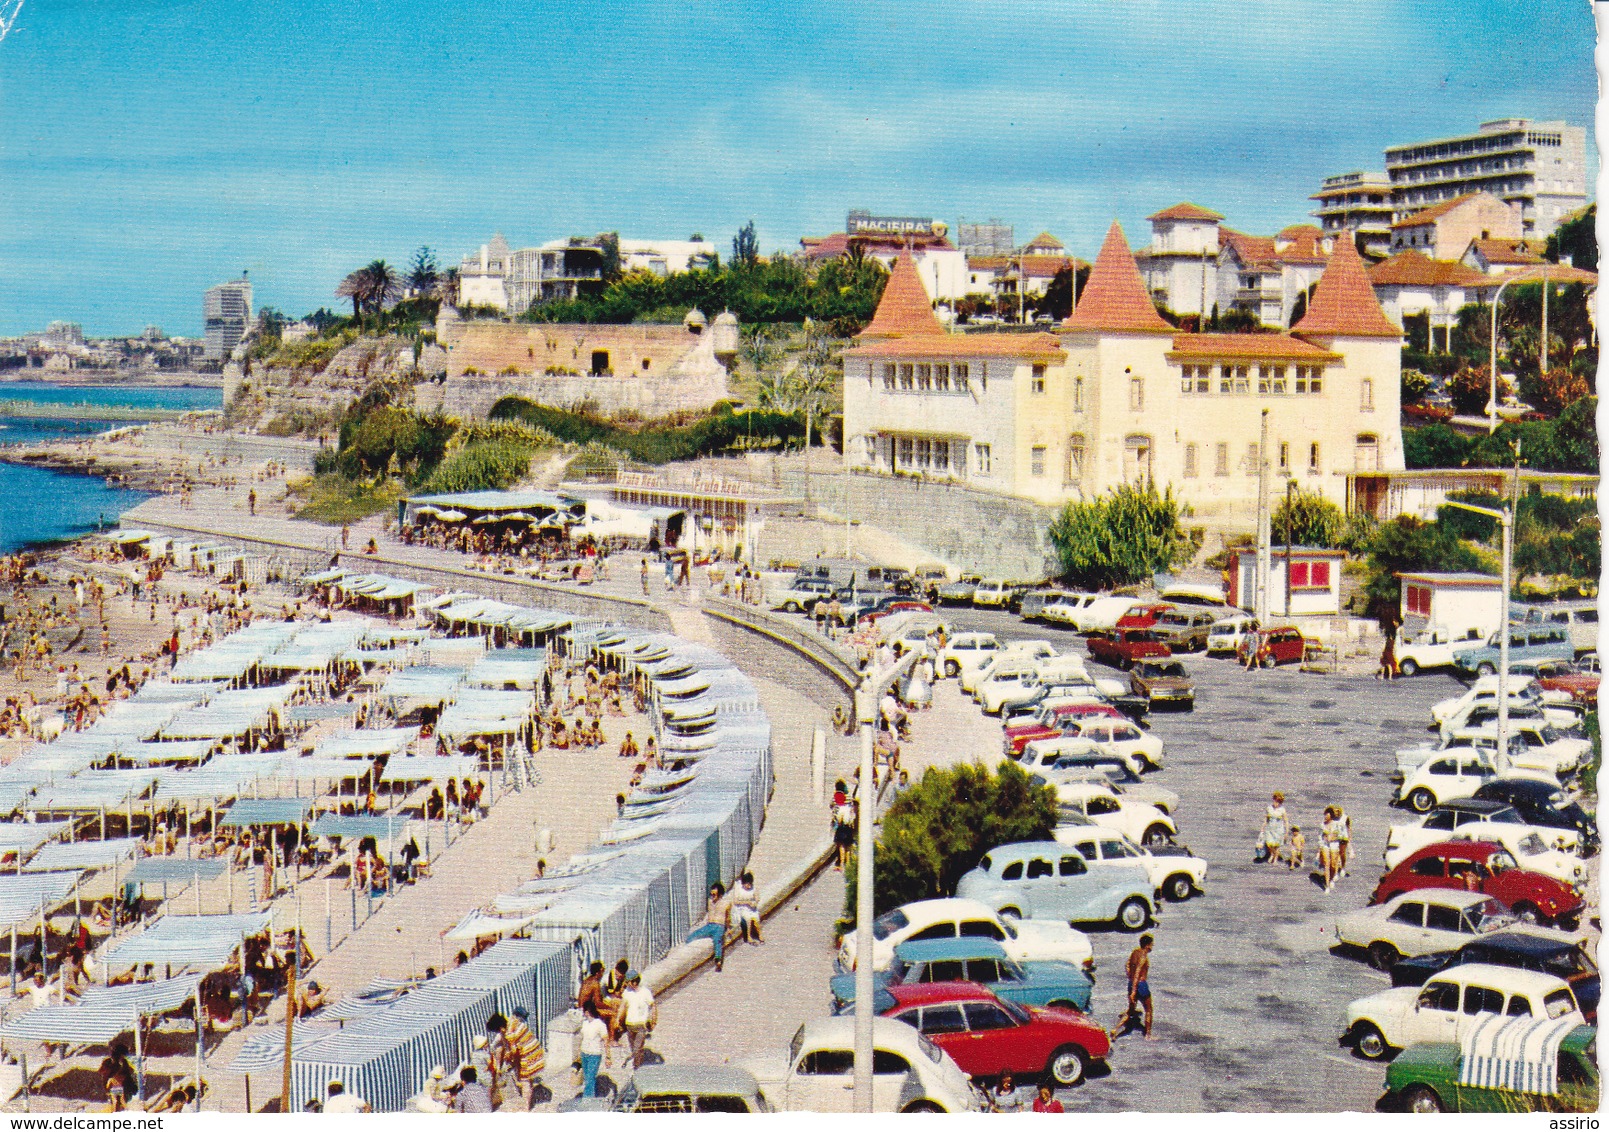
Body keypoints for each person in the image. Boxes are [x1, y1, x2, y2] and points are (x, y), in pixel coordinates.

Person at [486, 1010, 544, 1108]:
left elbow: (514, 1051)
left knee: (525, 1080)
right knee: (525, 1077)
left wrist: (510, 1059)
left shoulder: (509, 1034)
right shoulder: (511, 1020)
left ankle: (526, 1107)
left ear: (500, 1028)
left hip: (528, 1052)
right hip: (534, 1046)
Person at [685, 882, 731, 971]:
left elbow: (728, 918)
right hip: (709, 925)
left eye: (715, 894)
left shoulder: (726, 904)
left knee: (717, 940)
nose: (712, 896)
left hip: (719, 926)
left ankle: (718, 960)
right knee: (694, 935)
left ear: (720, 894)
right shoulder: (710, 902)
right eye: (711, 894)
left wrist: (728, 928)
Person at [619, 970, 657, 1069]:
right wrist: (618, 1020)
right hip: (630, 1025)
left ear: (635, 982)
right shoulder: (627, 992)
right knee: (635, 1049)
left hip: (641, 1025)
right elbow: (623, 1006)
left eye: (628, 982)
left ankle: (636, 1068)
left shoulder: (645, 992)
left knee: (637, 1048)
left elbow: (653, 1006)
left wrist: (653, 1020)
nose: (627, 984)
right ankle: (639, 1063)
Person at [1123, 934, 1156, 1040]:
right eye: (1151, 944)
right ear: (1147, 945)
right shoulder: (1143, 957)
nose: (1152, 946)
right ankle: (1148, 1034)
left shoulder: (1134, 952)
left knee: (1131, 1010)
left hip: (1131, 982)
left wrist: (1129, 976)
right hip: (1141, 984)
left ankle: (1116, 1030)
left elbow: (1127, 964)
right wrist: (1134, 990)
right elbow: (1137, 973)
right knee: (1149, 1009)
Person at [578, 1002, 608, 1098]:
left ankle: (587, 1099)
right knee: (587, 1078)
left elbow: (606, 1041)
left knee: (590, 1078)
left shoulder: (600, 1024)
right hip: (584, 1053)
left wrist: (608, 1057)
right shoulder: (585, 1023)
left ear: (587, 1012)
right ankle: (591, 1096)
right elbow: (582, 1038)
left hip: (595, 1054)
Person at [99, 1042, 136, 1111]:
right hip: (112, 1086)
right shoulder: (109, 1061)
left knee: (122, 1101)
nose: (123, 1057)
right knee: (115, 1102)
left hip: (122, 1086)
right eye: (122, 1055)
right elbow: (102, 1072)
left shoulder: (124, 1062)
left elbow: (130, 1072)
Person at [731, 871, 763, 943]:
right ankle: (748, 936)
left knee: (756, 920)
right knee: (748, 920)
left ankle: (760, 934)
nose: (748, 886)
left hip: (751, 908)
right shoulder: (739, 889)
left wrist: (755, 903)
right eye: (747, 884)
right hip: (742, 908)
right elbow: (736, 901)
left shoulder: (753, 889)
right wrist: (746, 902)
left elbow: (757, 898)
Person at [1258, 792, 1288, 864]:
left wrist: (1286, 832)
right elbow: (1266, 819)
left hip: (1278, 829)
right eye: (1275, 800)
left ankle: (1275, 859)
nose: (1276, 802)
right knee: (1269, 844)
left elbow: (1286, 821)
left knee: (1277, 845)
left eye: (1278, 801)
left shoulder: (1282, 809)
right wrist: (1262, 828)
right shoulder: (1269, 808)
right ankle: (1272, 854)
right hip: (1270, 828)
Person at [1319, 806, 1343, 891]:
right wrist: (1320, 848)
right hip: (1325, 845)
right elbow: (1320, 837)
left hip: (1334, 845)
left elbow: (1340, 835)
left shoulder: (1336, 824)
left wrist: (1333, 838)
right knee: (1326, 864)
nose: (1325, 816)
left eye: (1327, 815)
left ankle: (1332, 879)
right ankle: (1327, 885)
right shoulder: (1322, 825)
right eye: (1325, 814)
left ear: (1331, 815)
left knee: (1333, 865)